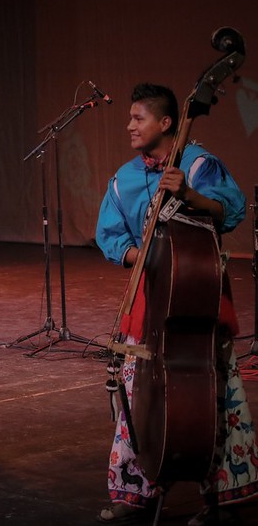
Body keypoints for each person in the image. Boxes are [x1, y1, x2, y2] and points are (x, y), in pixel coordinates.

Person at [95, 83, 257, 524]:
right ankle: (135, 489)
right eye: (129, 117)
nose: (129, 125)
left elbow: (232, 212)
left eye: (138, 118)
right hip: (150, 300)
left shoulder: (200, 164)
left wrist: (189, 195)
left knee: (213, 395)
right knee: (137, 395)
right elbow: (109, 236)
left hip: (198, 298)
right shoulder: (123, 178)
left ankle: (222, 494)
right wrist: (148, 256)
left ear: (166, 123)